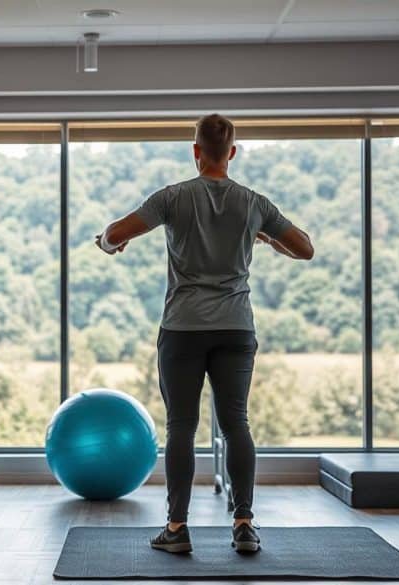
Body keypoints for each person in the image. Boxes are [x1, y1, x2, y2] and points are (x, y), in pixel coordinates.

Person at [95, 114, 314, 554]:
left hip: (183, 329)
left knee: (181, 426)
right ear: (231, 153)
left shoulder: (173, 198)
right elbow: (305, 248)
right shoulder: (254, 203)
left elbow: (115, 233)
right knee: (237, 424)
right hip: (236, 327)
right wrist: (268, 240)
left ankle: (177, 529)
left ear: (195, 151)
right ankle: (245, 525)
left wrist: (108, 242)